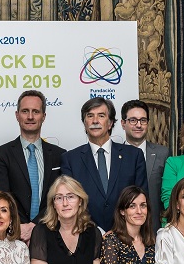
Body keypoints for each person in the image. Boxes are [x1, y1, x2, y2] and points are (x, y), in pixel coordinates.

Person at [61, 98, 147, 230]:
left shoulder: (134, 155)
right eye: (90, 116)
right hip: (86, 234)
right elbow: (70, 203)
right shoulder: (70, 159)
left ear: (110, 123)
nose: (95, 121)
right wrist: (97, 232)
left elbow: (141, 199)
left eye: (101, 116)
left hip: (126, 234)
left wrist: (118, 232)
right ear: (84, 123)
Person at [0, 90, 65, 242]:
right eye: (25, 111)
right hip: (13, 233)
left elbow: (58, 197)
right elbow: (3, 196)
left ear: (43, 116)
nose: (30, 117)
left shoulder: (59, 155)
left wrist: (34, 225)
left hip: (50, 231)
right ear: (17, 115)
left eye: (36, 111)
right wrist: (20, 227)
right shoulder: (2, 154)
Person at [121, 99, 170, 231]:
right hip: (121, 229)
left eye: (143, 120)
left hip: (153, 228)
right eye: (133, 120)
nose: (139, 125)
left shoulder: (163, 154)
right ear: (123, 124)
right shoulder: (114, 156)